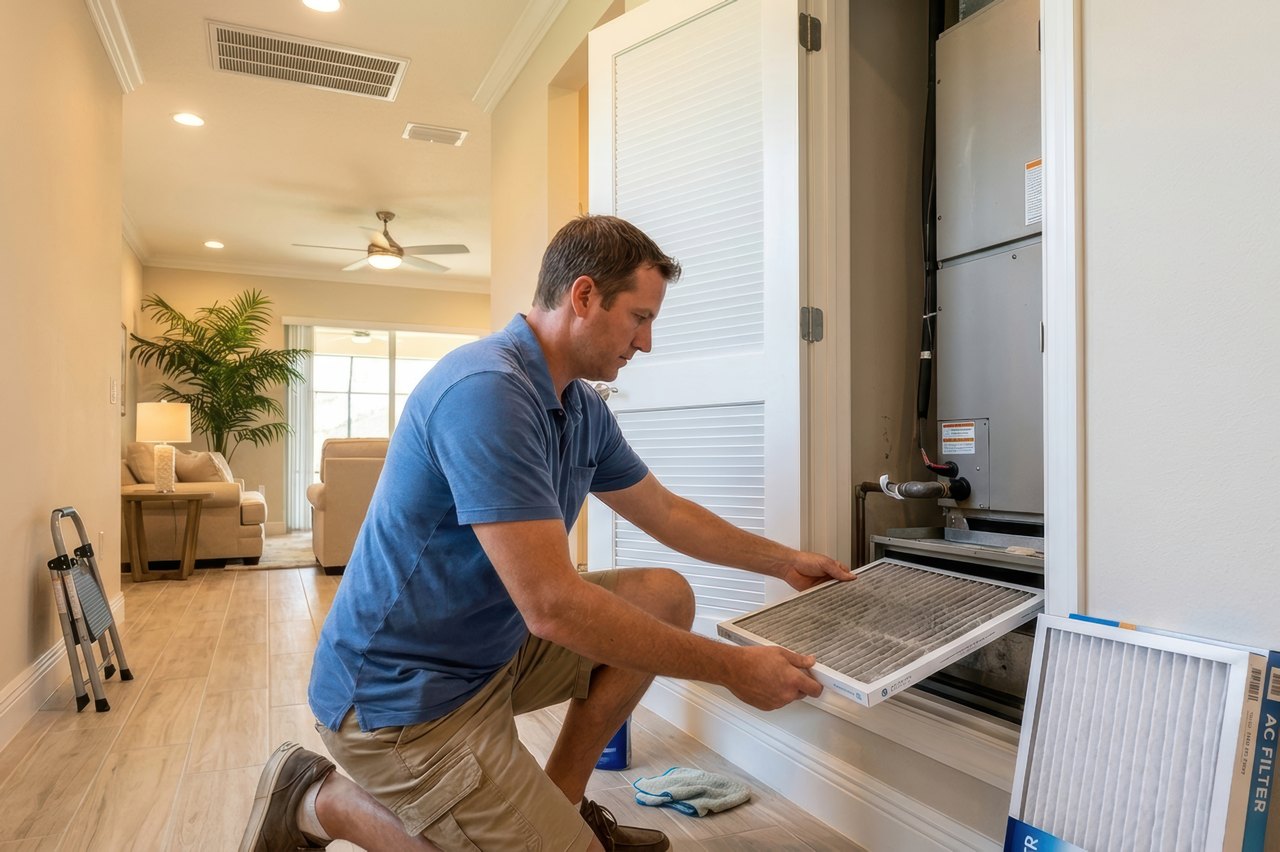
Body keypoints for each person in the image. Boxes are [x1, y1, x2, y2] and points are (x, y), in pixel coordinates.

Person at [239, 215, 852, 852]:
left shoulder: (580, 406)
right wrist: (733, 669)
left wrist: (785, 561)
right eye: (639, 318)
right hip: (399, 702)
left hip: (488, 655)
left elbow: (666, 513)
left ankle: (563, 806)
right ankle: (316, 802)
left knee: (664, 597)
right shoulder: (487, 391)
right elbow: (552, 605)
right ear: (584, 297)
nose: (646, 344)